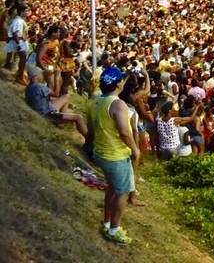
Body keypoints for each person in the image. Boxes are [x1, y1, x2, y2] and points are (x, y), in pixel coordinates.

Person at [85, 66, 140, 246]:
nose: (123, 82)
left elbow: (90, 132)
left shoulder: (95, 102)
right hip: (115, 155)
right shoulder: (118, 104)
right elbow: (125, 132)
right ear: (118, 84)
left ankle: (107, 223)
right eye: (122, 79)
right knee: (122, 192)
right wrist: (135, 149)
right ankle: (114, 230)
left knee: (112, 188)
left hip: (100, 152)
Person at [24, 65, 87, 136]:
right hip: (48, 114)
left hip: (43, 109)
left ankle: (63, 117)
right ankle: (89, 142)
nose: (42, 76)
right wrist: (56, 77)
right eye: (40, 74)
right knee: (78, 117)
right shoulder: (39, 87)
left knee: (66, 96)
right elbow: (56, 94)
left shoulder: (28, 88)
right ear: (37, 76)